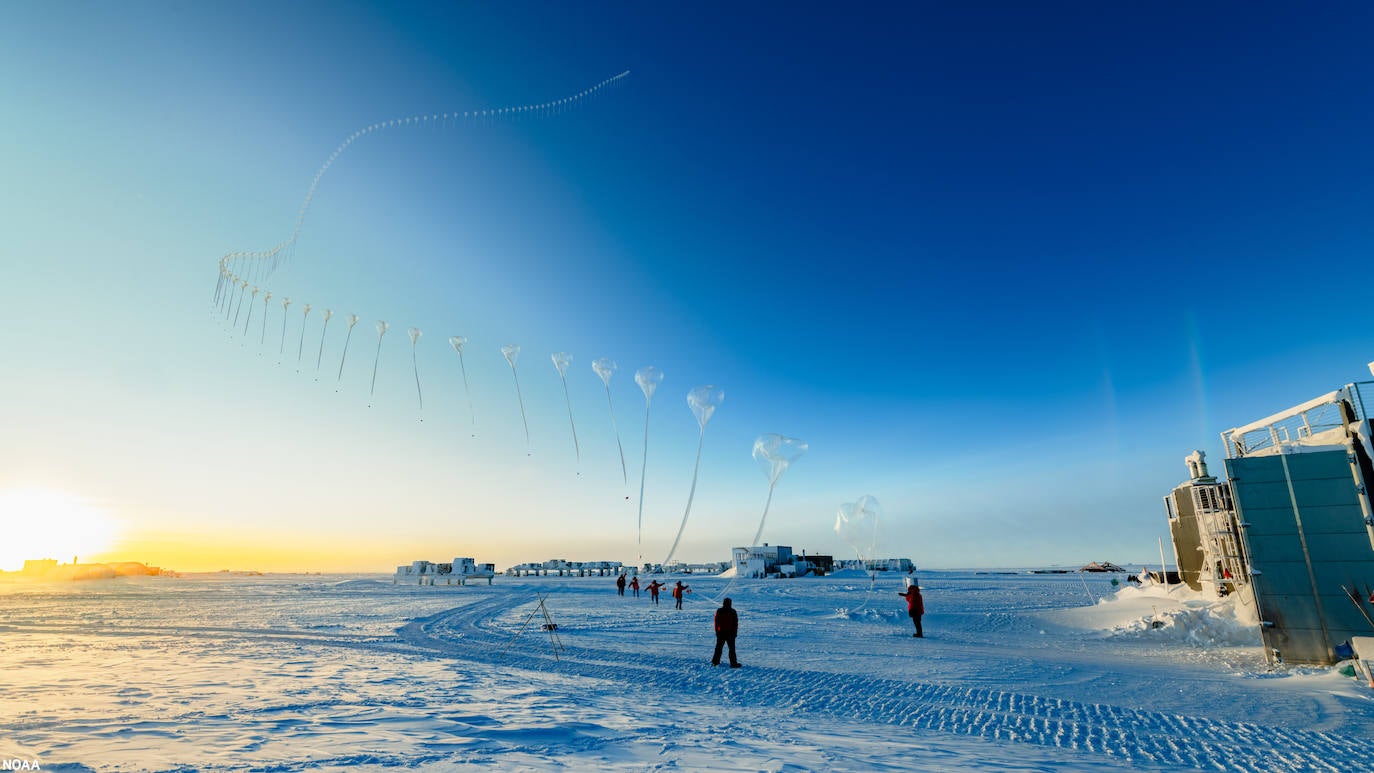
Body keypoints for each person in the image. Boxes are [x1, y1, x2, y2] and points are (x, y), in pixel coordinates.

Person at [712, 597, 741, 667]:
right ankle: (733, 663)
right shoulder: (733, 611)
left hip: (721, 632)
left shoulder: (719, 611)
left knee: (718, 648)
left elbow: (716, 622)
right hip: (730, 633)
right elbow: (735, 623)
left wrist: (716, 631)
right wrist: (735, 633)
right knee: (731, 649)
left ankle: (715, 662)